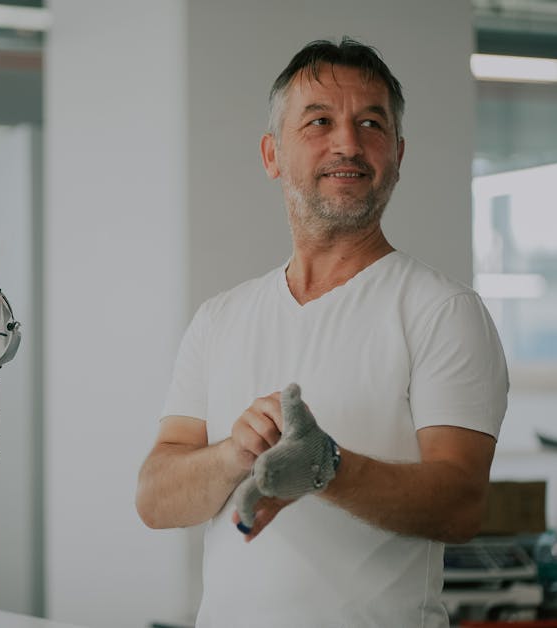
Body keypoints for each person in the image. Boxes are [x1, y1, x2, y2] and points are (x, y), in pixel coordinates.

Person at [135, 37, 508, 627]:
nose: (348, 144)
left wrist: (327, 467)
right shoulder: (221, 318)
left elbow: (461, 505)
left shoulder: (443, 310)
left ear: (399, 153)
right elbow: (156, 498)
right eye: (319, 122)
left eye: (371, 123)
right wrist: (235, 454)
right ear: (272, 154)